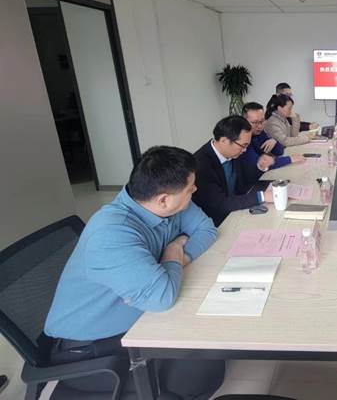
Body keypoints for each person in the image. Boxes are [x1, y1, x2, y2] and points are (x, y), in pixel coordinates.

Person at [44, 146, 224, 397]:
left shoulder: (170, 205)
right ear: (163, 199)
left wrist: (175, 262)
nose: (195, 190)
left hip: (139, 319)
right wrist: (173, 251)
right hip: (90, 350)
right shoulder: (112, 233)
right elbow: (162, 297)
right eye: (190, 188)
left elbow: (207, 230)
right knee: (199, 372)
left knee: (209, 350)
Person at [192, 115, 273, 227]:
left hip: (237, 209)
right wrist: (261, 196)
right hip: (217, 221)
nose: (244, 150)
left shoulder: (233, 151)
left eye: (247, 146)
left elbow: (245, 178)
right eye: (243, 146)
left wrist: (260, 166)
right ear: (224, 140)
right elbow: (220, 204)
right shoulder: (200, 164)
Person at [240, 102, 305, 185]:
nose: (259, 126)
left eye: (262, 121)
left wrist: (274, 140)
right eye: (255, 122)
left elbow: (279, 151)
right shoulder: (242, 139)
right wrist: (289, 159)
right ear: (244, 121)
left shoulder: (259, 133)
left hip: (262, 175)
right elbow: (260, 163)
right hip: (250, 184)